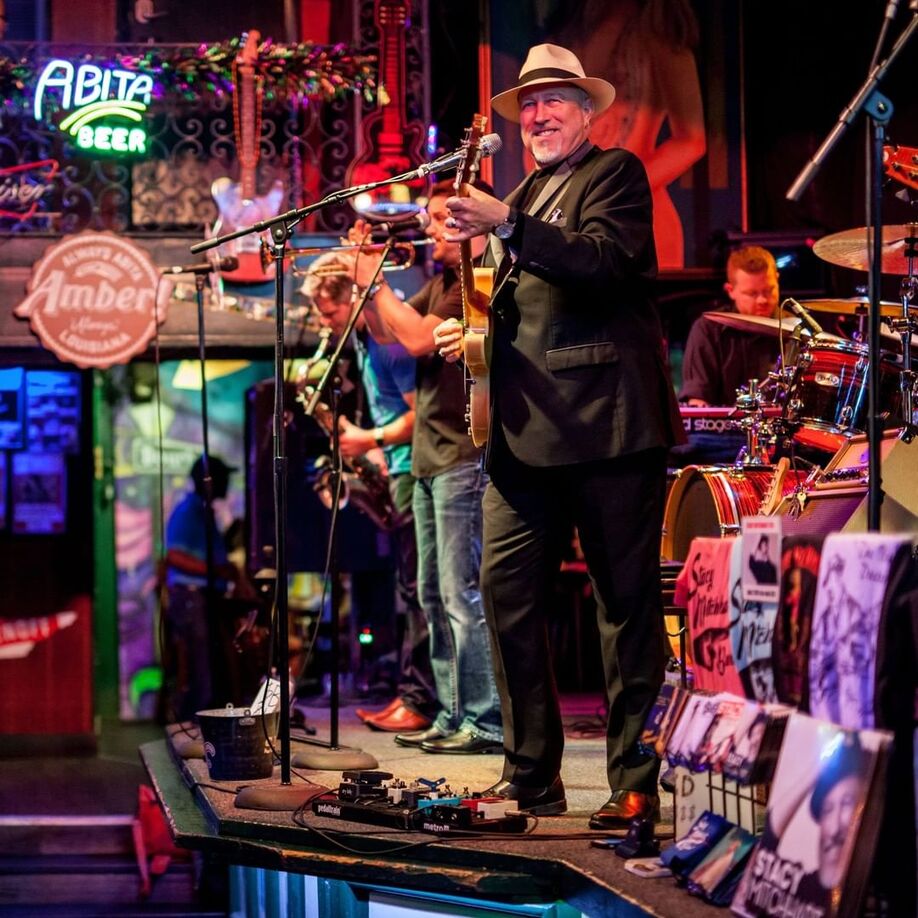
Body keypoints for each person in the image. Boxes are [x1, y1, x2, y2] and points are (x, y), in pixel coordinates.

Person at [432, 44, 683, 824]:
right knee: (507, 599)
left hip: (608, 424)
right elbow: (525, 307)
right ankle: (529, 776)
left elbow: (608, 265)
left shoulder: (614, 175)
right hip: (524, 433)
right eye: (528, 104)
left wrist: (507, 221)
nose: (537, 115)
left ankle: (634, 782)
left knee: (626, 608)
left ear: (587, 111)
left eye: (553, 102)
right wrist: (467, 333)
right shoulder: (533, 186)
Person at [346, 179, 503, 754]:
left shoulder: (475, 282)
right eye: (431, 217)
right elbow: (388, 337)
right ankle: (452, 711)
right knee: (432, 596)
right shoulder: (438, 282)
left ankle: (485, 721)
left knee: (461, 596)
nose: (432, 228)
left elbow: (415, 343)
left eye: (442, 217)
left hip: (463, 454)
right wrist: (366, 287)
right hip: (433, 458)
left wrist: (377, 281)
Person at [302, 255, 436, 734]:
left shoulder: (389, 347)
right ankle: (413, 693)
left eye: (329, 314)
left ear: (353, 300)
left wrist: (370, 441)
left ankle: (422, 698)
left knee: (422, 590)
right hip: (395, 469)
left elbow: (423, 414)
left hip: (413, 468)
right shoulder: (360, 343)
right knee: (410, 588)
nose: (324, 324)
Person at [548, 0, 707, 269]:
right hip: (568, 218)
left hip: (637, 220)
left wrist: (616, 185)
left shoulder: (659, 39)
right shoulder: (563, 39)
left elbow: (691, 140)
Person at [163, 454, 252, 721]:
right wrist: (217, 570)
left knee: (211, 670)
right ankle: (191, 730)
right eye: (223, 477)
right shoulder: (188, 511)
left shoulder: (202, 511)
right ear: (208, 480)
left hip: (202, 598)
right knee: (202, 673)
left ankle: (203, 729)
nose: (227, 483)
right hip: (192, 598)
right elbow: (174, 556)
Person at [679, 245, 783, 407]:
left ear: (777, 279)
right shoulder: (708, 329)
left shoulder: (797, 331)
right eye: (752, 293)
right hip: (725, 431)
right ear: (730, 290)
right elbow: (698, 400)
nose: (762, 300)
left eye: (769, 290)